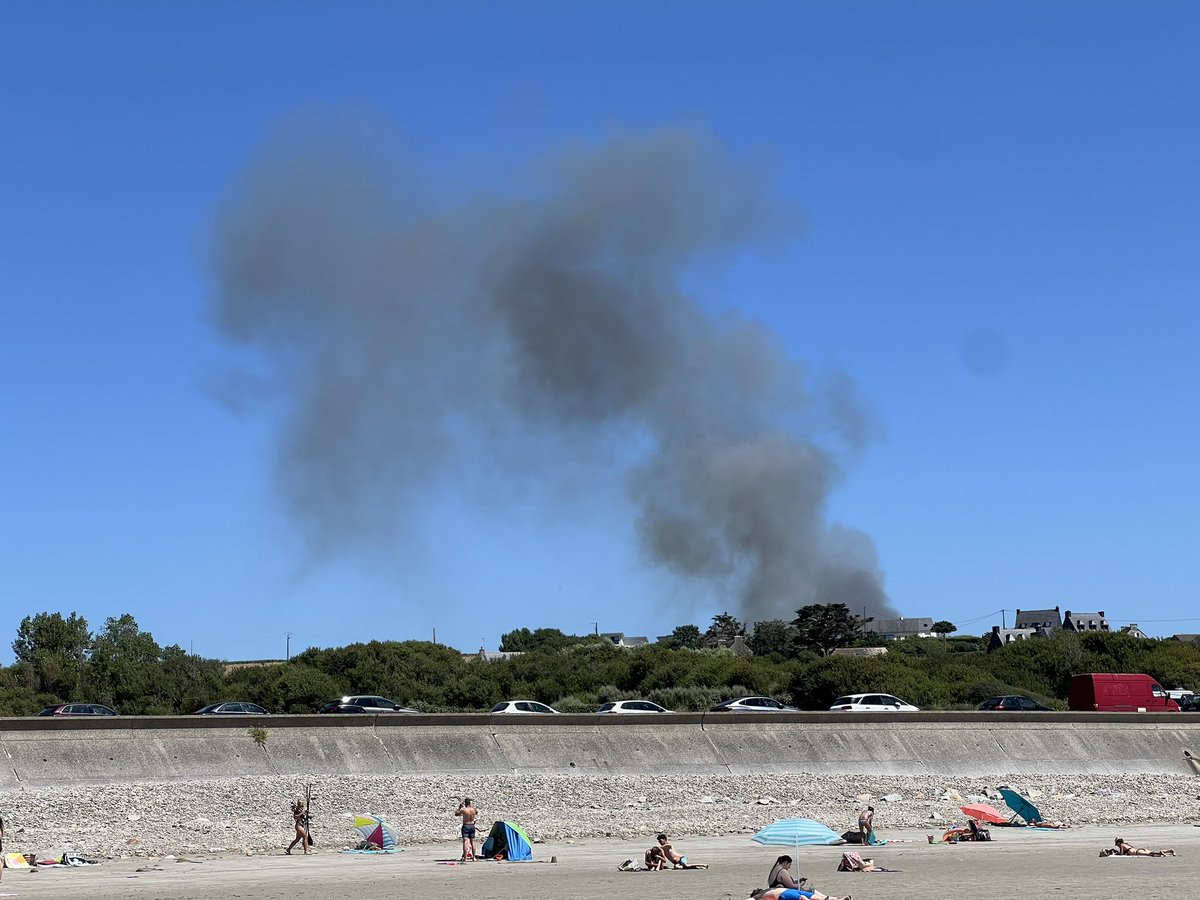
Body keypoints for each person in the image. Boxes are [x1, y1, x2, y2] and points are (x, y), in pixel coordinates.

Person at [1105, 838, 1175, 857]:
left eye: (1117, 844)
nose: (1117, 845)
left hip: (1137, 852)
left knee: (1151, 854)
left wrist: (1115, 854)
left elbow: (1121, 854)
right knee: (1151, 852)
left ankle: (1161, 853)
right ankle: (1170, 851)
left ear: (1118, 842)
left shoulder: (1121, 845)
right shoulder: (1126, 844)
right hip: (1139, 849)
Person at [747, 887, 850, 900]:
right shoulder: (769, 890)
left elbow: (751, 899)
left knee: (802, 898)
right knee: (820, 898)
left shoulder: (761, 895)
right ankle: (839, 899)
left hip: (784, 895)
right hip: (790, 891)